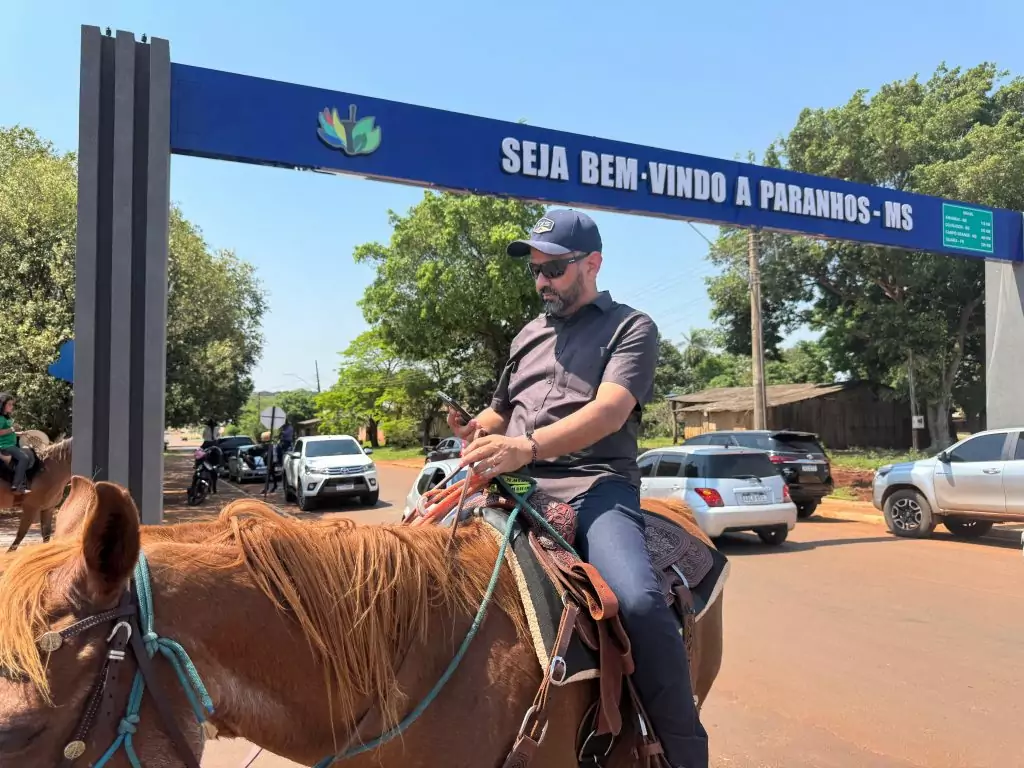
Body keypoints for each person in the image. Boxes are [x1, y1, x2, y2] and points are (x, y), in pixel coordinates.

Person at [450, 209, 708, 768]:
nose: (542, 281)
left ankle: (682, 752)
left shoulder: (631, 327)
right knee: (420, 551)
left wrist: (530, 446)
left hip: (594, 483)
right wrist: (476, 432)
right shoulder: (526, 335)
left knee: (637, 600)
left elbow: (611, 410)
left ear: (592, 264)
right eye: (537, 271)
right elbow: (500, 415)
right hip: (516, 478)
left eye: (555, 269)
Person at [0, 393, 31, 494]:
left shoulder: (6, 418)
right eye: (9, 404)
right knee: (24, 458)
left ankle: (22, 483)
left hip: (10, 445)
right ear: (2, 405)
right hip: (5, 446)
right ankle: (16, 486)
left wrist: (20, 433)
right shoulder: (0, 418)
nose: (11, 407)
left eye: (12, 404)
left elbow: (8, 432)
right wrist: (13, 428)